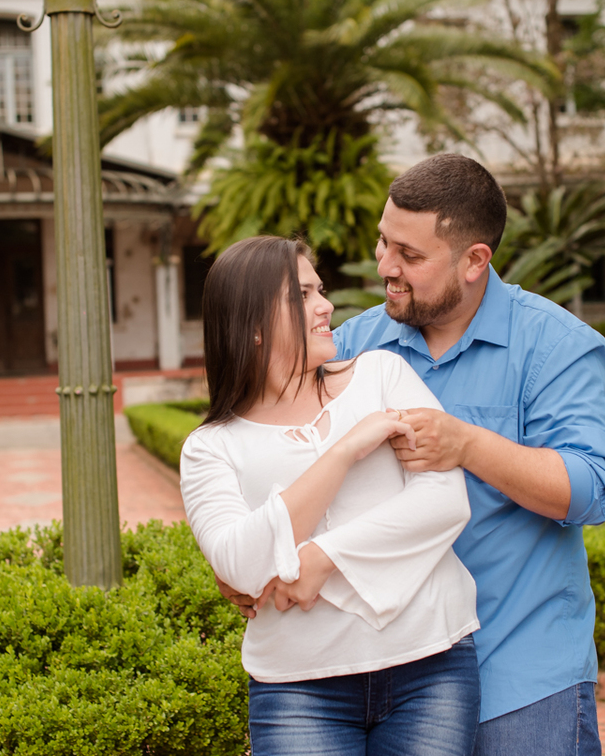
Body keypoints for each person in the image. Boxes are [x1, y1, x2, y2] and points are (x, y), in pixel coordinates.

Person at [221, 154, 605, 756]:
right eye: (384, 243)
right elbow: (267, 445)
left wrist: (465, 444)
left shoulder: (558, 346)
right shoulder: (353, 345)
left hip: (521, 663)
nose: (386, 266)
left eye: (410, 256)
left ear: (474, 260)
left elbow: (591, 489)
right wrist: (248, 557)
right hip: (394, 665)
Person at [179, 236, 482, 756]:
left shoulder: (382, 376)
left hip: (430, 665)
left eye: (319, 289)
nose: (326, 306)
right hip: (298, 687)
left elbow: (444, 502)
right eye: (302, 295)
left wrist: (322, 557)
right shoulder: (210, 448)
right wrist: (342, 454)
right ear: (250, 325)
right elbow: (237, 564)